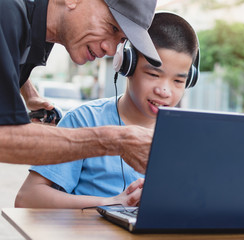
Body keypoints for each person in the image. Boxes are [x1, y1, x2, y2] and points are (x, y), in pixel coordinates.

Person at [15, 12, 200, 208]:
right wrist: (111, 203)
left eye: (178, 81)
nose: (164, 91)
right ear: (127, 65)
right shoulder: (83, 120)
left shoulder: (191, 137)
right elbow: (27, 198)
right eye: (153, 74)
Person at [0, 0, 162, 173]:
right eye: (112, 28)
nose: (110, 50)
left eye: (121, 39)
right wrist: (115, 140)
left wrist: (29, 93)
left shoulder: (30, 24)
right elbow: (4, 137)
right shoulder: (7, 13)